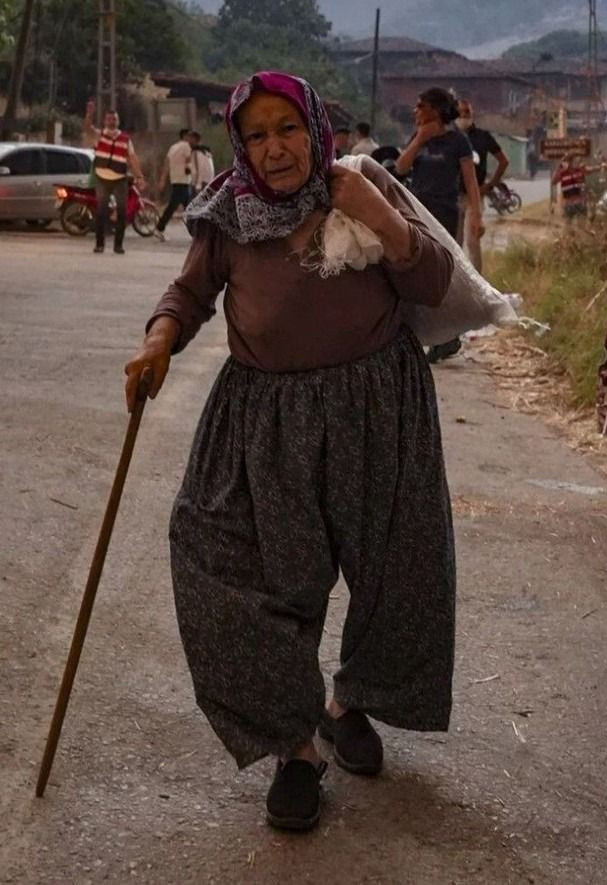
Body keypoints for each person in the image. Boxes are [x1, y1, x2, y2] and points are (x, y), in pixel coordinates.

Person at [123, 71, 456, 832]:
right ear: (239, 146)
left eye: (288, 129)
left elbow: (433, 281)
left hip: (378, 405)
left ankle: (350, 702)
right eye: (257, 134)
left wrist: (381, 216)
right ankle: (295, 744)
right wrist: (157, 342)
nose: (275, 149)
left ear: (315, 128)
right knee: (233, 565)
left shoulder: (364, 187)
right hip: (264, 417)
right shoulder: (226, 217)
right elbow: (187, 294)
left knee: (396, 567)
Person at [395, 86, 483, 363]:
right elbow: (400, 168)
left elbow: (470, 182)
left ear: (435, 109)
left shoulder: (458, 142)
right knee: (415, 271)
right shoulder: (418, 138)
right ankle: (421, 334)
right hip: (416, 212)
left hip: (446, 213)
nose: (416, 111)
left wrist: (477, 216)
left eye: (420, 106)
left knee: (444, 273)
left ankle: (448, 338)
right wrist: (419, 140)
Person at [83, 100, 146, 254]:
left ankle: (118, 245)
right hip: (102, 178)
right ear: (105, 121)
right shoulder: (99, 136)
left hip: (120, 179)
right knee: (101, 211)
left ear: (118, 121)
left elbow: (132, 158)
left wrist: (140, 177)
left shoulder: (125, 139)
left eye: (115, 119)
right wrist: (89, 114)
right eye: (110, 119)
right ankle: (100, 244)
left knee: (122, 212)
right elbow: (87, 128)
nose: (112, 121)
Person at [454, 98, 508, 273]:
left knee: (472, 241)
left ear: (472, 114)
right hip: (453, 195)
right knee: (454, 241)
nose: (463, 117)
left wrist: (490, 185)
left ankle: (477, 283)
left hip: (474, 195)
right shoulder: (450, 137)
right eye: (460, 113)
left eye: (467, 113)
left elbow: (503, 161)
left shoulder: (482, 137)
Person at [154, 129, 195, 241]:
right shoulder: (186, 146)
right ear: (185, 136)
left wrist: (162, 180)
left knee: (183, 207)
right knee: (184, 207)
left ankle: (195, 232)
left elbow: (166, 164)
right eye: (190, 136)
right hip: (184, 181)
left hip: (175, 180)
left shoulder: (173, 147)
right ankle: (159, 228)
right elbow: (188, 161)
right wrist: (191, 171)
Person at [551, 153, 600, 220]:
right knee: (568, 226)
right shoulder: (562, 173)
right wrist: (559, 167)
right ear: (569, 162)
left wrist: (605, 166)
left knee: (582, 225)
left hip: (581, 203)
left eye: (577, 161)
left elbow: (593, 169)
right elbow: (553, 181)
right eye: (574, 161)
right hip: (569, 204)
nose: (576, 163)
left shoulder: (580, 170)